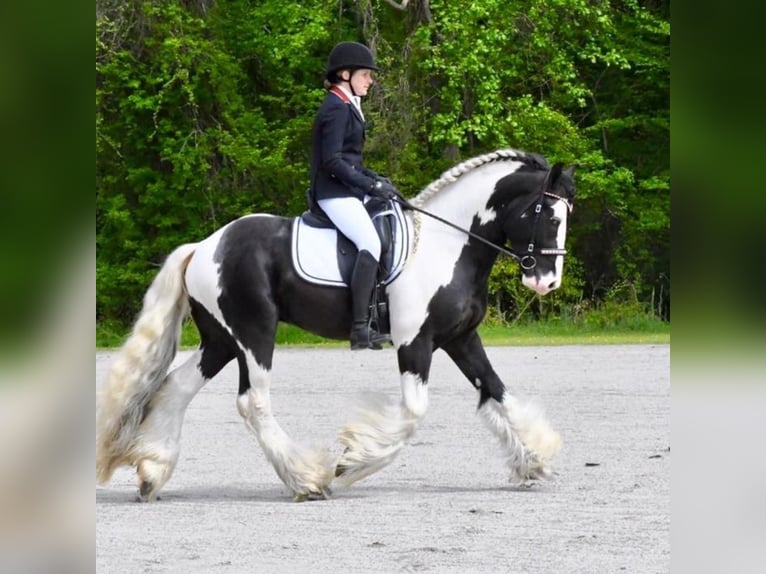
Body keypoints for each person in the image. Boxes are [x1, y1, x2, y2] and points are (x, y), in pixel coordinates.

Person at [308, 41, 399, 350]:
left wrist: (375, 179)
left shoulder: (347, 105)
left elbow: (351, 160)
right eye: (365, 75)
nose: (370, 81)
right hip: (333, 193)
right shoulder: (335, 107)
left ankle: (381, 313)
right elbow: (332, 161)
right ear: (345, 74)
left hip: (347, 189)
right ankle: (360, 327)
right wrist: (369, 186)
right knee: (370, 243)